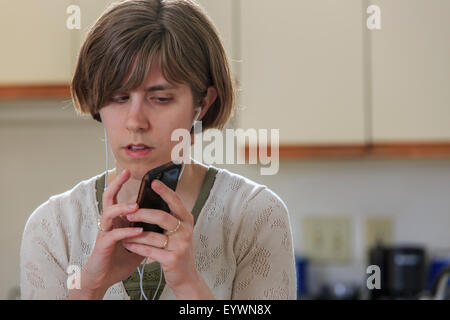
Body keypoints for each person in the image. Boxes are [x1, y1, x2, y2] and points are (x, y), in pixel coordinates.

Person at [20, 0, 296, 300]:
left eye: (161, 98)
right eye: (118, 97)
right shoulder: (51, 227)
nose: (135, 122)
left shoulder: (255, 216)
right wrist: (89, 289)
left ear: (202, 104)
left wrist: (190, 285)